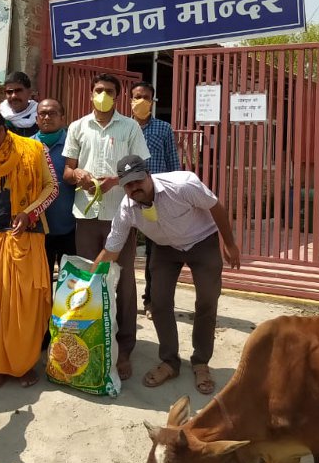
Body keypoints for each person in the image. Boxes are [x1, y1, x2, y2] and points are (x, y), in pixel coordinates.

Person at [93, 155, 240, 396]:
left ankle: (201, 362)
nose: (135, 188)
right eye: (128, 185)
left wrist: (230, 244)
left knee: (206, 300)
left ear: (148, 175)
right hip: (164, 248)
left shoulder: (183, 184)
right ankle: (170, 362)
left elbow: (215, 206)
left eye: (138, 180)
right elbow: (112, 249)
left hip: (202, 241)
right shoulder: (127, 209)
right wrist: (89, 280)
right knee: (159, 302)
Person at [62, 73, 151, 381]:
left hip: (120, 215)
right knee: (90, 279)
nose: (103, 96)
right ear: (91, 94)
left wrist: (116, 180)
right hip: (85, 215)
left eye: (109, 92)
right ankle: (93, 338)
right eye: (98, 90)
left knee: (123, 282)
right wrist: (80, 176)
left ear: (118, 96)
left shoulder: (129, 127)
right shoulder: (77, 126)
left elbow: (140, 168)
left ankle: (124, 348)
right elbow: (67, 169)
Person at [0, 108, 58, 389]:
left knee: (29, 307)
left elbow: (51, 187)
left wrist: (29, 213)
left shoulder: (34, 149)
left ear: (2, 130)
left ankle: (24, 365)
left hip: (31, 239)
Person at [130, 81, 181, 318]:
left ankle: (150, 300)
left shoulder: (163, 128)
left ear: (152, 101)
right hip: (127, 197)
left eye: (146, 97)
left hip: (156, 197)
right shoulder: (124, 128)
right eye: (137, 96)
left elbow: (173, 162)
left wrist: (175, 192)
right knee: (123, 250)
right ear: (130, 100)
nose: (141, 101)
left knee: (155, 254)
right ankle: (122, 301)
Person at [32, 98, 76, 275]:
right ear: (36, 119)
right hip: (38, 228)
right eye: (42, 113)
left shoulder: (73, 146)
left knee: (71, 286)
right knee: (41, 285)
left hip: (70, 228)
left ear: (63, 118)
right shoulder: (28, 147)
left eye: (52, 113)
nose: (47, 117)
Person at [0, 71, 39, 136]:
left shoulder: (41, 116)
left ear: (29, 92)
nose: (13, 96)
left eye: (18, 91)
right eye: (9, 92)